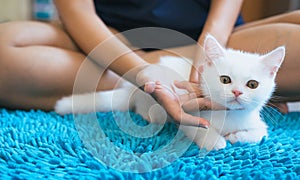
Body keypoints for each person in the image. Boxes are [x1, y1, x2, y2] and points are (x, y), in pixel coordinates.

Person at [0, 0, 299, 128]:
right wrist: (144, 72)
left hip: (214, 42)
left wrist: (207, 55)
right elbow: (79, 12)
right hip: (107, 40)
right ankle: (146, 73)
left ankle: (165, 65)